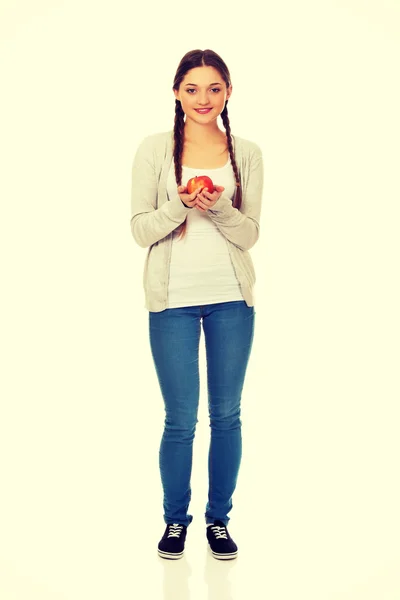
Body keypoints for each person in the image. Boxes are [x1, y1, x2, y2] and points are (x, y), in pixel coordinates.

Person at [130, 49, 264, 560]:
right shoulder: (154, 149)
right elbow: (140, 228)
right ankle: (174, 519)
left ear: (228, 91)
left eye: (213, 88)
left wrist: (220, 208)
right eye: (192, 89)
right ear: (176, 92)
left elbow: (250, 234)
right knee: (180, 419)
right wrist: (180, 204)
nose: (202, 99)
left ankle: (219, 519)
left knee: (226, 415)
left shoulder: (246, 153)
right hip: (172, 303)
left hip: (232, 300)